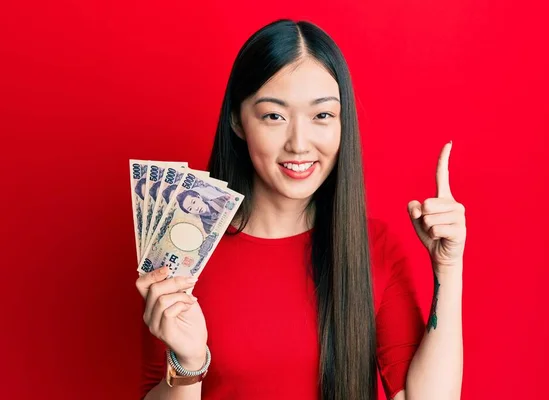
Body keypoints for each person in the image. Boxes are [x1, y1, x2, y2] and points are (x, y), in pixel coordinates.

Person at [136, 19, 465, 400]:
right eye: (274, 116)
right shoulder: (183, 248)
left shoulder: (374, 248)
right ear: (237, 121)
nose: (299, 143)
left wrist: (448, 267)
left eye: (322, 115)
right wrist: (189, 363)